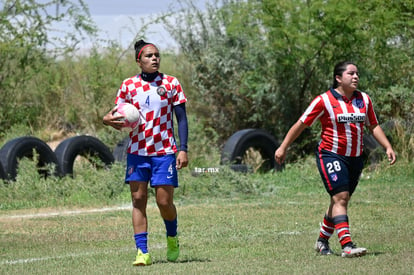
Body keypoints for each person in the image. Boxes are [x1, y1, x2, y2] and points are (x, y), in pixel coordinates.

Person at [274, 61, 396, 258]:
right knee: (341, 197)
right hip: (330, 154)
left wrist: (387, 146)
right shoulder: (323, 100)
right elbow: (301, 124)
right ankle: (347, 245)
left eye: (357, 73)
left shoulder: (364, 99)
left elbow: (373, 125)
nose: (356, 77)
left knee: (338, 200)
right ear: (338, 78)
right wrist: (283, 147)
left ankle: (322, 241)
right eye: (351, 74)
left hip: (355, 159)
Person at [103, 39, 188, 266]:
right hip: (137, 152)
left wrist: (183, 149)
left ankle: (172, 237)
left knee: (163, 202)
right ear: (138, 61)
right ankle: (142, 252)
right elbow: (115, 114)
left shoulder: (171, 83)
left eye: (157, 55)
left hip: (165, 151)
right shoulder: (128, 85)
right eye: (149, 56)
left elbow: (181, 119)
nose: (154, 59)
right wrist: (107, 120)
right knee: (138, 199)